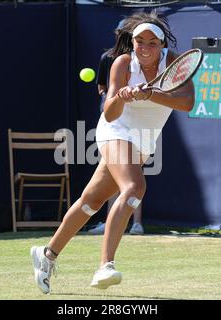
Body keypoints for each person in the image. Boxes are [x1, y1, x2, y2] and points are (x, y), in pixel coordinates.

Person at [30, 11, 195, 294]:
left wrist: (150, 94)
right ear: (132, 42)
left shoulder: (173, 63)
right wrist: (123, 96)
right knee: (134, 187)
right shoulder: (122, 63)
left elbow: (187, 103)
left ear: (162, 44)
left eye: (151, 42)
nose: (144, 48)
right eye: (139, 41)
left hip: (144, 140)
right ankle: (105, 264)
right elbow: (109, 112)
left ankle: (46, 256)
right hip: (115, 131)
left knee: (90, 201)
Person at [90, 18, 144, 236]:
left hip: (137, 125)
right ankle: (111, 220)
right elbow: (102, 88)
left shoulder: (141, 61)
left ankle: (136, 223)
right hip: (112, 126)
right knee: (117, 176)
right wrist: (113, 99)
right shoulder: (108, 59)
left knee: (134, 178)